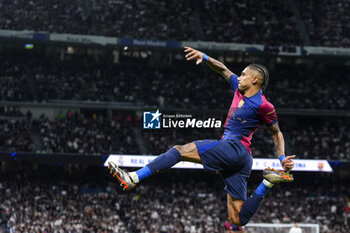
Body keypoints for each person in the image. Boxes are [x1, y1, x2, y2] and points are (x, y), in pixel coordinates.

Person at [108, 46, 295, 226]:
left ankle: (134, 177)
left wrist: (281, 157)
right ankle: (267, 182)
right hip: (242, 159)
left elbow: (277, 133)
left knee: (179, 150)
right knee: (238, 219)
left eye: (244, 74)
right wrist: (204, 57)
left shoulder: (264, 105)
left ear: (255, 79)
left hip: (234, 147)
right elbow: (223, 69)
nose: (239, 76)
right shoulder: (238, 89)